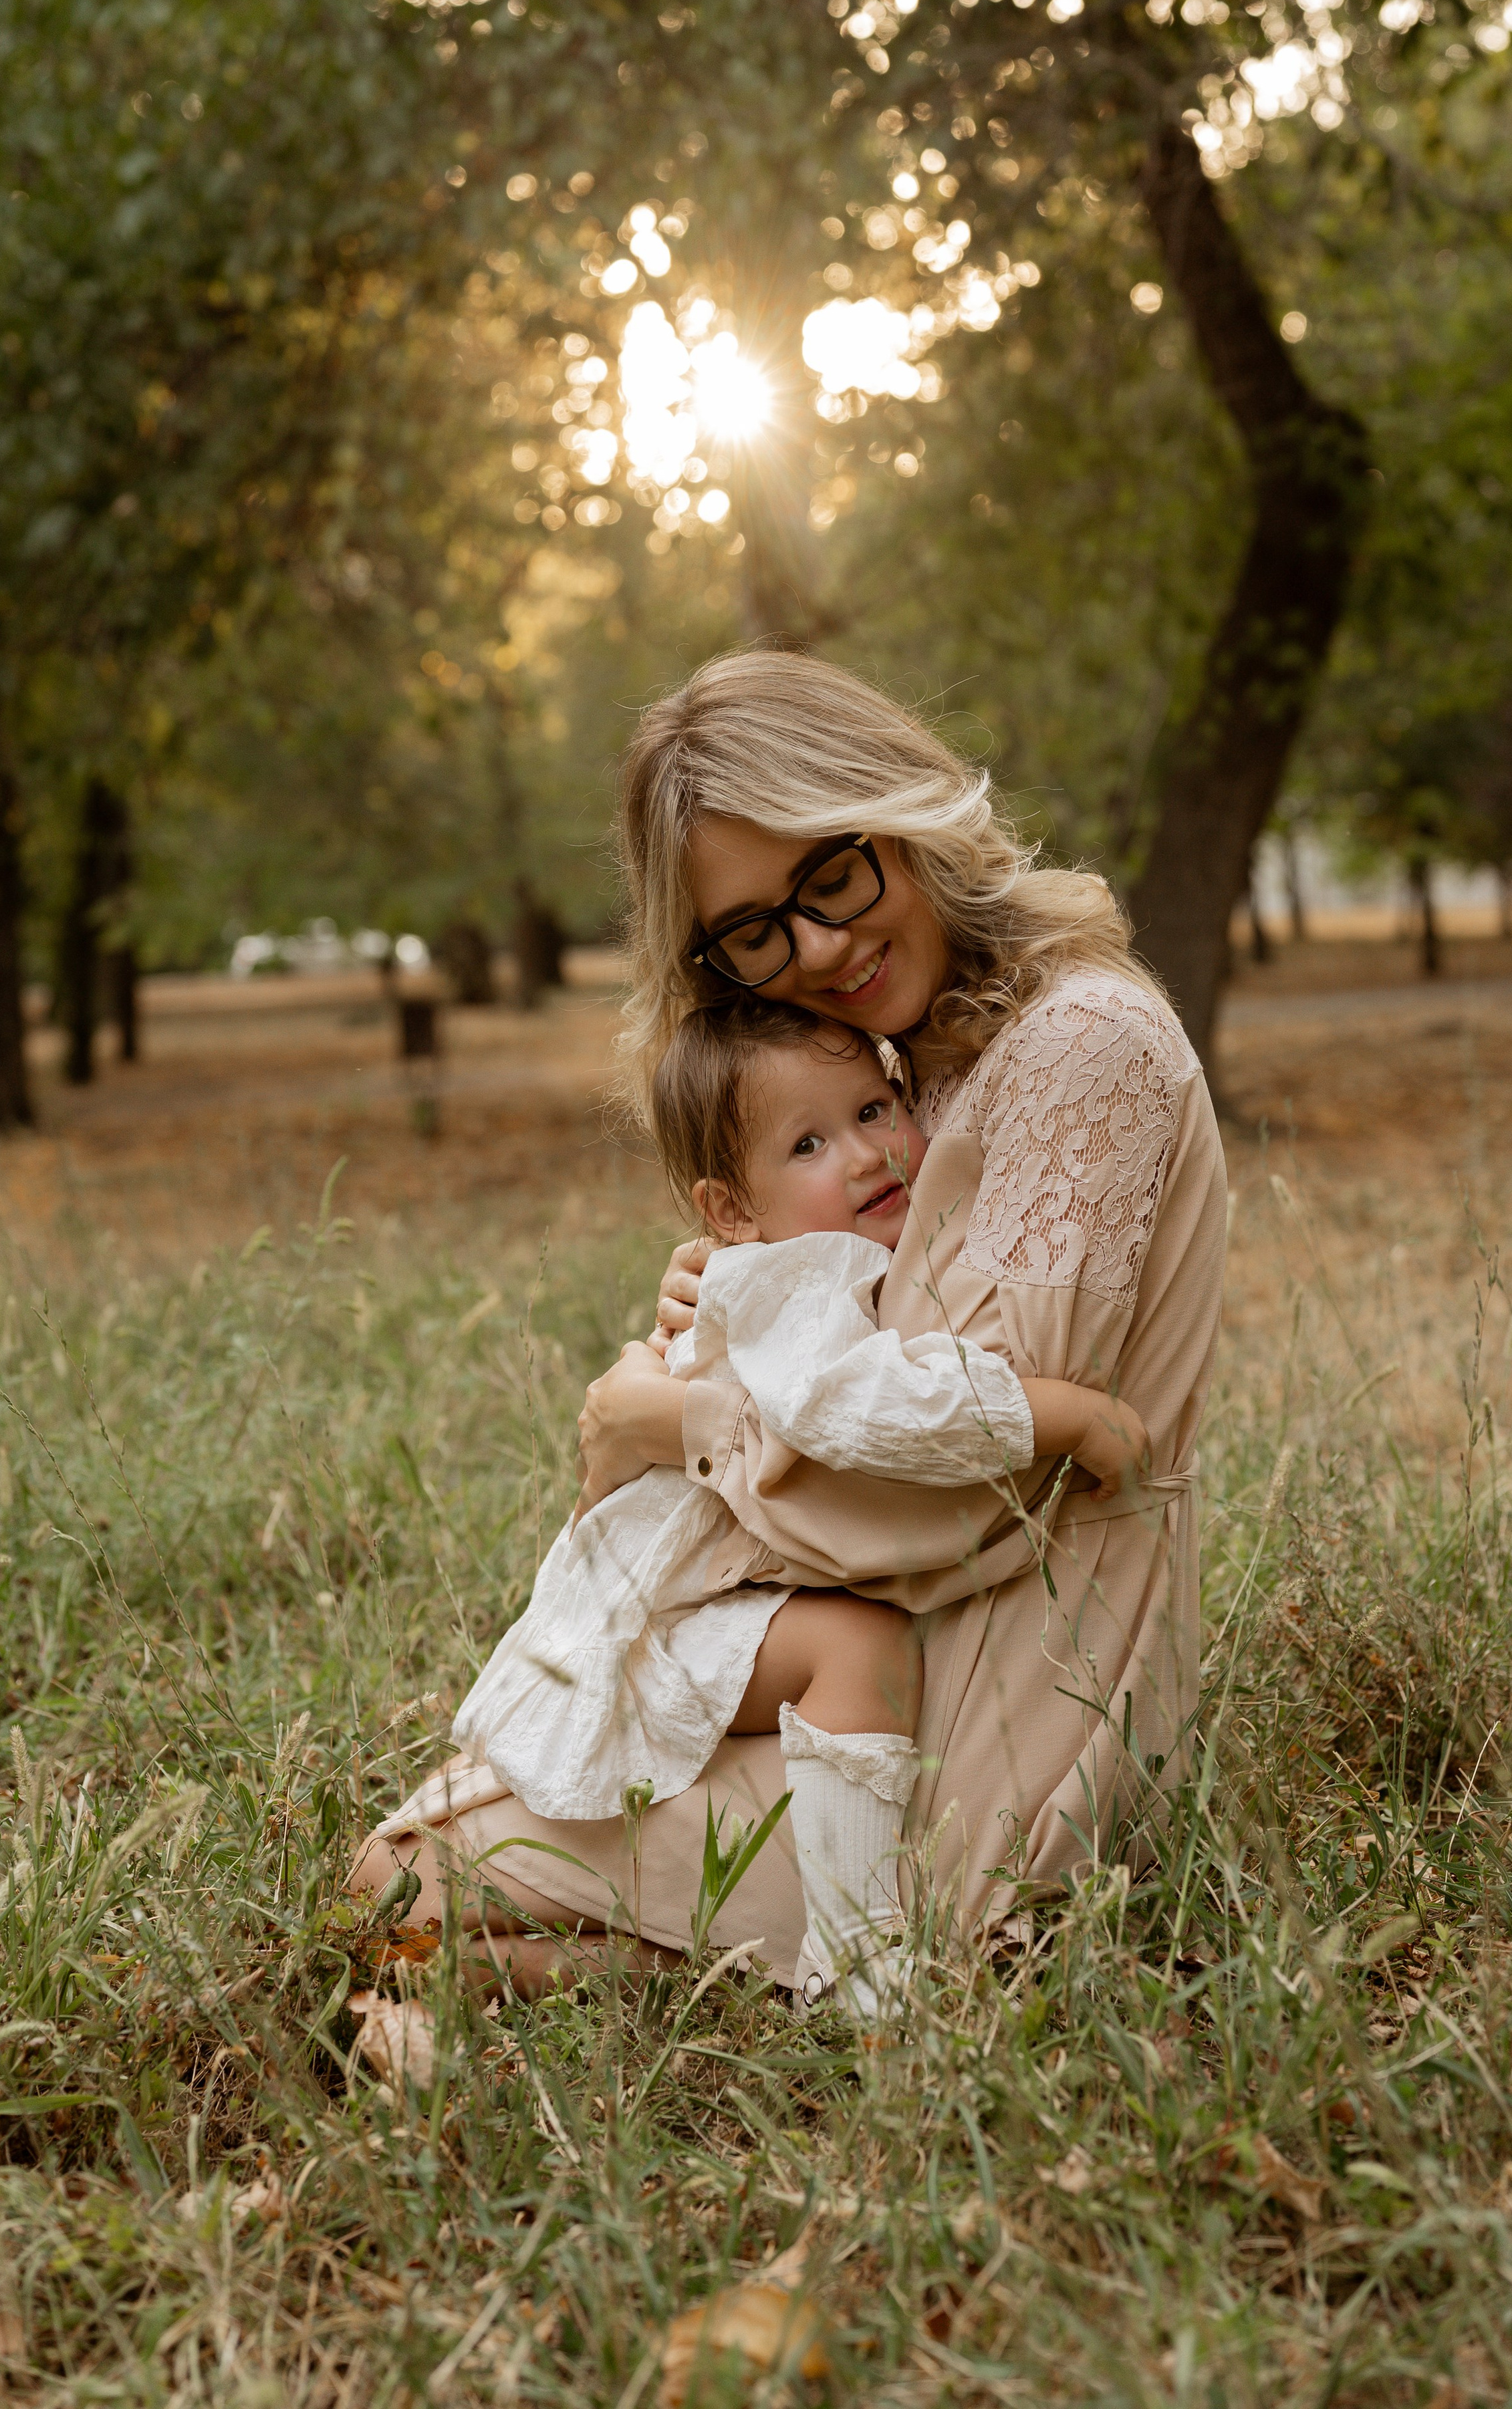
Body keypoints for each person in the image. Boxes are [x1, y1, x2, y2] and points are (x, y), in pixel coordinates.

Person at [351, 653, 1225, 1998]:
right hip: (873, 1676)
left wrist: (671, 1417)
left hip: (997, 1707)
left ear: (905, 810)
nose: (816, 948)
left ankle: (794, 1975)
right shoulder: (902, 1062)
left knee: (404, 1879)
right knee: (411, 1887)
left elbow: (960, 1497)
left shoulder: (1079, 1046)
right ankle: (622, 1980)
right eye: (754, 931)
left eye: (833, 873)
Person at [372, 998, 1148, 2015]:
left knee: (401, 1905)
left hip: (697, 1608)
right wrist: (1066, 1416)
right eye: (811, 1143)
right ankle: (864, 1965)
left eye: (876, 1109)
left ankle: (637, 1972)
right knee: (855, 1648)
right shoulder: (797, 1278)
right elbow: (869, 1407)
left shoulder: (814, 1259)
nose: (871, 1154)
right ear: (732, 1210)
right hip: (666, 1623)